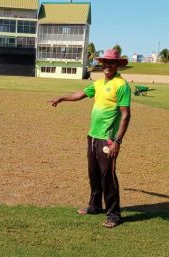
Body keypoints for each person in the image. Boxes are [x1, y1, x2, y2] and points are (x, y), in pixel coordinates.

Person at [48, 49, 131, 228]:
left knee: (107, 176)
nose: (107, 66)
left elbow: (126, 115)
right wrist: (61, 98)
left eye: (111, 62)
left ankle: (114, 215)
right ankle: (94, 206)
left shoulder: (121, 85)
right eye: (105, 62)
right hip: (93, 135)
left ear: (117, 65)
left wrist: (117, 141)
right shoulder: (99, 84)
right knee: (93, 174)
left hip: (108, 139)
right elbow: (81, 94)